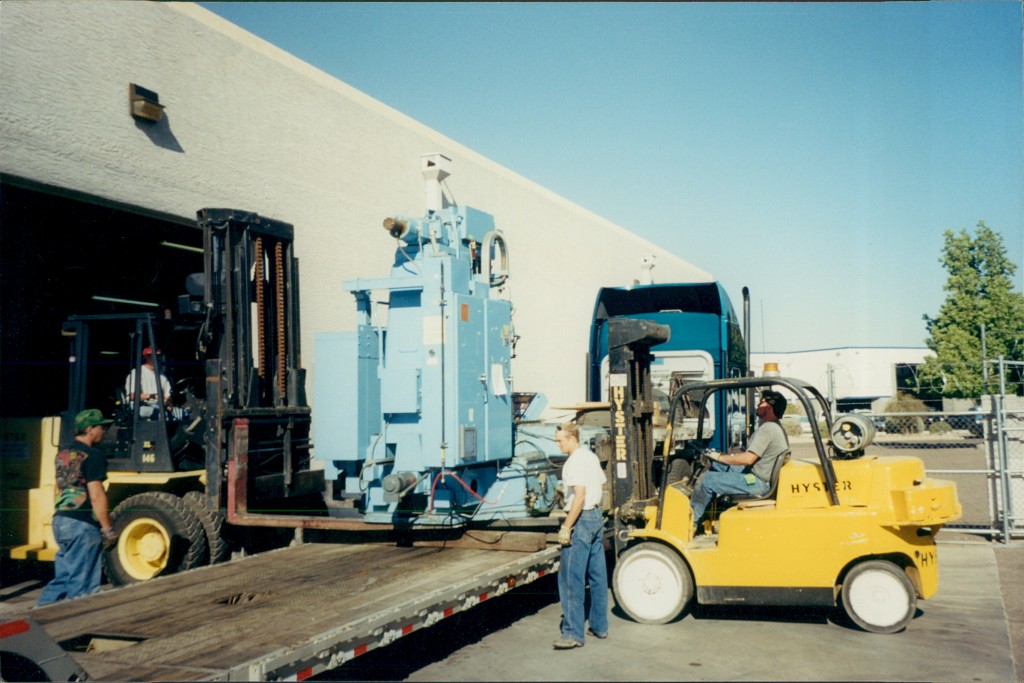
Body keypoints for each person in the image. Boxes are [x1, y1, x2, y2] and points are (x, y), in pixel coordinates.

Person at [37, 409, 118, 606]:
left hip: (61, 520)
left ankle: (37, 619)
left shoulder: (63, 454)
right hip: (82, 525)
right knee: (83, 588)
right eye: (102, 427)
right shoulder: (93, 455)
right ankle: (78, 630)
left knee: (63, 580)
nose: (105, 431)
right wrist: (107, 529)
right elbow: (97, 495)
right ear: (90, 429)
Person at [689, 389, 790, 529]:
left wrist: (720, 457)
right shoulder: (776, 427)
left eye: (761, 402)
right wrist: (720, 460)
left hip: (759, 483)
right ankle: (709, 511)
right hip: (762, 475)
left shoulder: (768, 429)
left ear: (768, 407)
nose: (757, 405)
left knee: (707, 480)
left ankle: (690, 522)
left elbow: (748, 459)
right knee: (719, 466)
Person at [553, 422, 609, 649]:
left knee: (570, 578)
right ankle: (599, 626)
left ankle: (573, 634)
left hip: (581, 519)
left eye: (561, 440)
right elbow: (600, 486)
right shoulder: (590, 456)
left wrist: (567, 526)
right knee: (597, 576)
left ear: (572, 438)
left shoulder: (573, 462)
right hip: (596, 517)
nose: (558, 444)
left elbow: (579, 495)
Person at [124, 346, 171, 419]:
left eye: (159, 356)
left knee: (179, 414)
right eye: (154, 356)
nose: (157, 358)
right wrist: (152, 396)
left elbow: (167, 395)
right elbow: (132, 396)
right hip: (141, 407)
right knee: (160, 415)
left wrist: (169, 402)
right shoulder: (136, 373)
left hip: (159, 406)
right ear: (146, 357)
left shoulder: (162, 376)